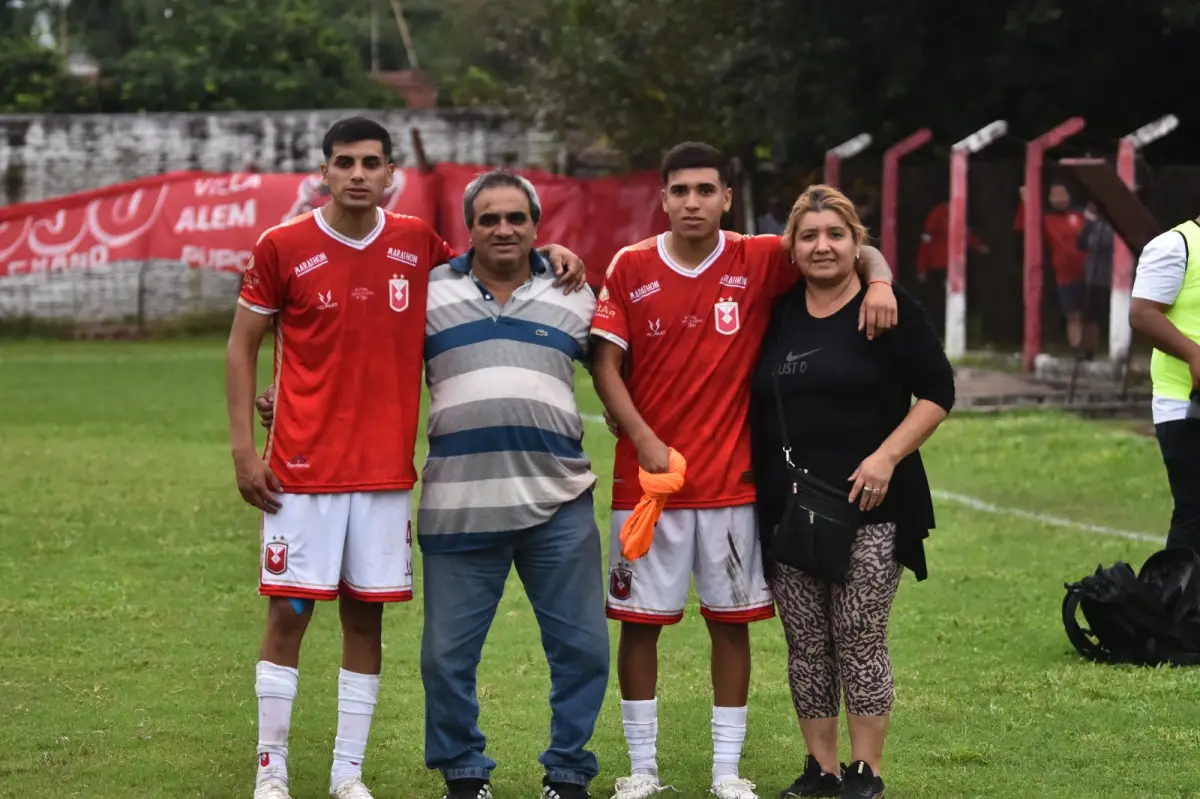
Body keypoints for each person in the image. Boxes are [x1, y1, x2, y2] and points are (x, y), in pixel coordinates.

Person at [228, 117, 586, 799]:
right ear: (324, 171)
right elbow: (242, 343)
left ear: (391, 173)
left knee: (367, 617)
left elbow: (489, 259)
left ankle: (346, 771)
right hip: (299, 474)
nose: (357, 174)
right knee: (290, 614)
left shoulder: (416, 244)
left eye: (371, 163)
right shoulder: (283, 245)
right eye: (344, 162)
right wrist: (245, 450)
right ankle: (270, 767)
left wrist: (555, 252)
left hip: (387, 475)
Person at [590, 142, 899, 799]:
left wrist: (880, 280)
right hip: (649, 487)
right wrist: (643, 438)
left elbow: (847, 247)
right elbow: (604, 365)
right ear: (664, 197)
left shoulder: (758, 258)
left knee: (729, 626)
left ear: (727, 198)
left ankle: (728, 770)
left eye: (706, 190)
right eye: (681, 191)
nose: (693, 202)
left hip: (734, 487)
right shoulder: (631, 264)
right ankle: (642, 768)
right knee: (639, 624)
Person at [747, 185, 954, 799]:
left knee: (858, 635)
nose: (822, 246)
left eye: (835, 234)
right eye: (809, 236)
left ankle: (866, 772)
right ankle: (822, 769)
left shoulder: (883, 309)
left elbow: (938, 392)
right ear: (792, 247)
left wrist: (887, 457)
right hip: (790, 511)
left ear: (856, 242)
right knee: (806, 645)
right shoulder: (778, 311)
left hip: (872, 508)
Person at [1129, 216, 1200, 553]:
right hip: (1185, 404)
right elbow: (1143, 314)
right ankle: (1179, 602)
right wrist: (1194, 355)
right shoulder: (1174, 246)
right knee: (1195, 512)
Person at [1077, 203, 1114, 359]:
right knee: (1088, 315)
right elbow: (1081, 243)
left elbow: (1100, 243)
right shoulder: (1094, 224)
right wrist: (1088, 225)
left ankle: (1092, 350)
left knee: (1096, 315)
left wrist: (1092, 224)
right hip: (1091, 276)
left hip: (1104, 277)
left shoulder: (1108, 226)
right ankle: (1086, 350)